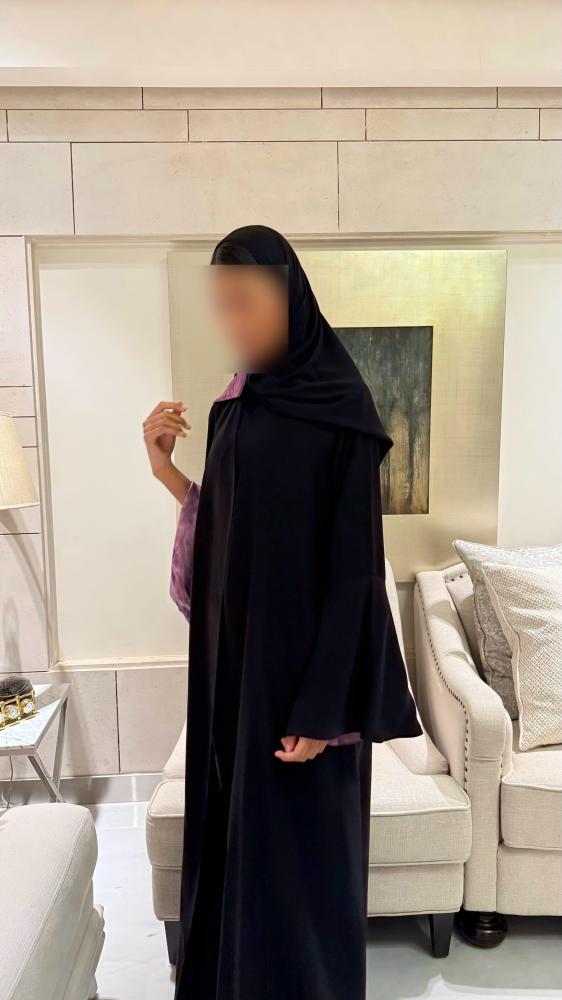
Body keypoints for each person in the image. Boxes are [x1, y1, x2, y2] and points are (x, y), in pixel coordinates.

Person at [143, 225, 422, 1000]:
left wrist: (324, 709)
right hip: (239, 682)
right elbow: (228, 534)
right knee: (242, 861)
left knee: (304, 881)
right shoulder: (236, 405)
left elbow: (355, 573)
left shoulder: (343, 409)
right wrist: (168, 474)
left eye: (246, 301)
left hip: (306, 692)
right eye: (222, 304)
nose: (232, 320)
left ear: (291, 298)